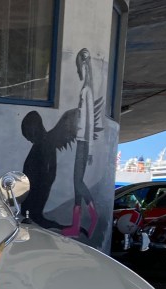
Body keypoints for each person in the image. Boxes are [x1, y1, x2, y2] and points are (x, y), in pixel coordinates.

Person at [63, 48, 99, 237]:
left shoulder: (87, 91)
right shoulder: (85, 90)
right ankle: (75, 226)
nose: (80, 71)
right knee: (76, 182)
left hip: (84, 143)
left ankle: (93, 216)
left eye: (82, 67)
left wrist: (90, 150)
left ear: (86, 68)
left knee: (78, 181)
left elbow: (90, 121)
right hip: (81, 142)